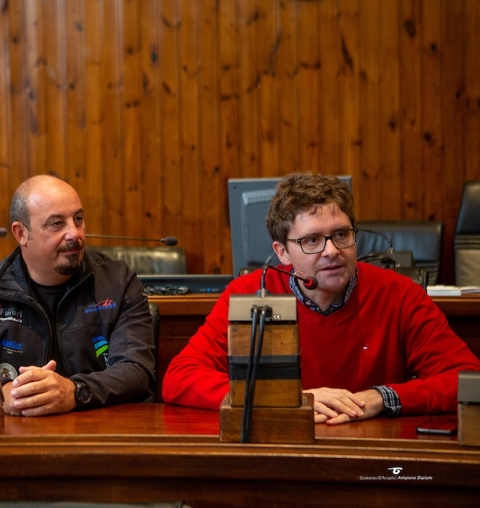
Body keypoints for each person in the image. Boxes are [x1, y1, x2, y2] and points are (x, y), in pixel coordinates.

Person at [162, 172, 480, 424]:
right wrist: (285, 398)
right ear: (282, 252)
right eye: (312, 240)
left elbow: (466, 378)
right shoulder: (247, 295)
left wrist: (382, 397)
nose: (332, 251)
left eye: (341, 234)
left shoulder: (400, 294)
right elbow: (179, 378)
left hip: (372, 453)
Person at [0, 174, 155, 416]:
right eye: (57, 224)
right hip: (12, 439)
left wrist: (75, 391)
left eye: (79, 219)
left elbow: (138, 372)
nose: (75, 233)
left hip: (98, 434)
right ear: (21, 233)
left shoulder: (118, 283)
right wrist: (4, 394)